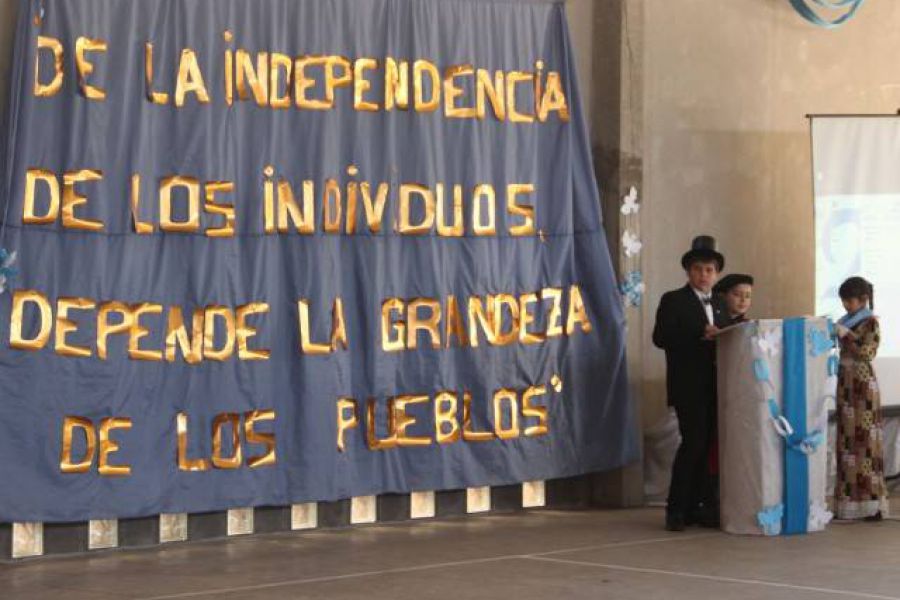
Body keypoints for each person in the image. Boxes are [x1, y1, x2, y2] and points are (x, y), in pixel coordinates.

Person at [653, 235, 729, 531]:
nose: (704, 275)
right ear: (688, 272)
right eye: (698, 269)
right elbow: (660, 338)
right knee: (692, 445)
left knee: (708, 448)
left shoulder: (720, 303)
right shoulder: (674, 300)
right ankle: (676, 509)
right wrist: (700, 333)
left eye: (709, 270)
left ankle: (699, 506)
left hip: (718, 387)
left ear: (717, 274)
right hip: (689, 387)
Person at [834, 276, 887, 521]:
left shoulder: (870, 322)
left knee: (864, 444)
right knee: (846, 442)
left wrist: (848, 337)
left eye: (850, 300)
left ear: (863, 299)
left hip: (862, 385)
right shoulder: (846, 320)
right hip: (845, 382)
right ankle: (848, 502)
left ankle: (870, 504)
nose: (846, 305)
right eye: (843, 301)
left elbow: (867, 353)